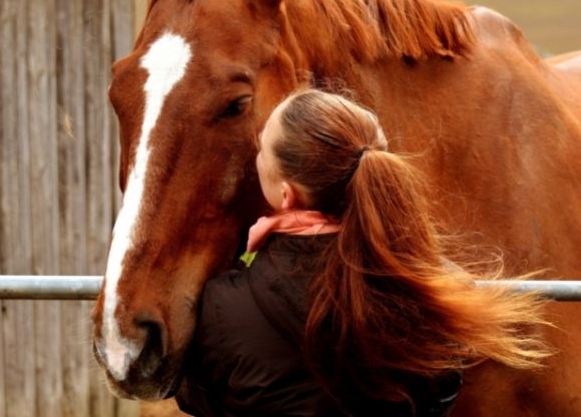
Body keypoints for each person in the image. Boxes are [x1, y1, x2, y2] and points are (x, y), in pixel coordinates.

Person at [176, 89, 550, 416]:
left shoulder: (222, 307)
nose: (257, 156)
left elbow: (197, 398)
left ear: (287, 195)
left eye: (261, 150)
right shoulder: (438, 294)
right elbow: (443, 393)